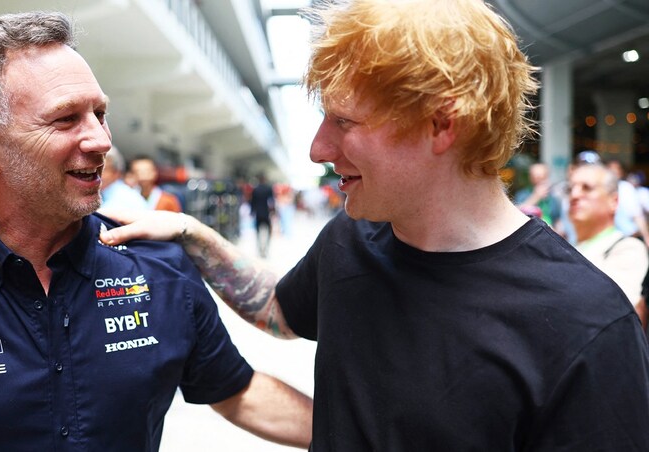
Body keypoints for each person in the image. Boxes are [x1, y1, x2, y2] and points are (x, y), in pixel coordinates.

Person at [101, 0, 649, 449]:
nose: (318, 148)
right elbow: (281, 310)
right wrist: (192, 236)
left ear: (440, 123)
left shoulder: (587, 326)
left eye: (344, 121)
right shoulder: (354, 236)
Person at [0, 12, 313, 451]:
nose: (102, 141)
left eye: (100, 114)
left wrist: (371, 432)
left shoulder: (160, 267)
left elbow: (237, 390)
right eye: (66, 118)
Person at [568, 162, 648, 307]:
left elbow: (613, 307)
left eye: (587, 188)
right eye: (570, 188)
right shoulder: (565, 247)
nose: (574, 195)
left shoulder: (628, 248)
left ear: (614, 201)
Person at [606, 158, 649, 242]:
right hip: (609, 239)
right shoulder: (601, 189)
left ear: (621, 172)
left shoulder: (625, 188)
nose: (613, 172)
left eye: (616, 169)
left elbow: (637, 214)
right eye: (610, 169)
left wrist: (646, 236)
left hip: (629, 236)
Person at [98, 146, 149, 213]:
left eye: (102, 169)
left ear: (116, 173)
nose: (96, 173)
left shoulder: (129, 199)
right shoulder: (99, 194)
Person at [514, 162, 562, 229]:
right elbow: (516, 214)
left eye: (542, 177)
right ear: (530, 177)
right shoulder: (522, 195)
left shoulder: (553, 198)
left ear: (547, 176)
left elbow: (558, 220)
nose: (539, 180)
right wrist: (535, 197)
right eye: (536, 177)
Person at [249, 172, 275, 257]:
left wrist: (252, 212)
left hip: (258, 214)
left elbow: (252, 202)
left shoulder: (255, 189)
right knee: (268, 231)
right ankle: (266, 248)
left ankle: (260, 248)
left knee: (258, 232)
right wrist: (273, 212)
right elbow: (271, 201)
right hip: (266, 213)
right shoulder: (268, 189)